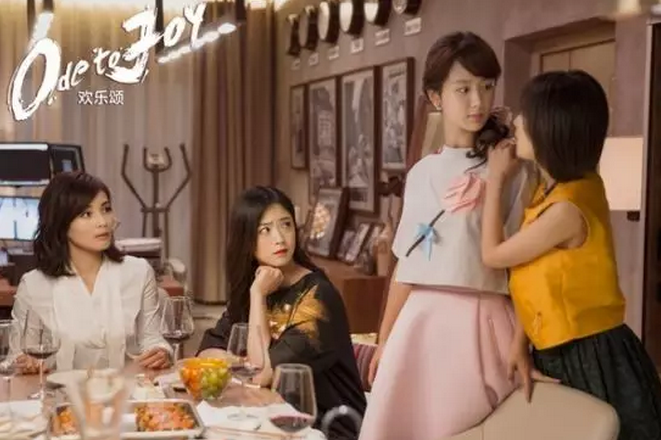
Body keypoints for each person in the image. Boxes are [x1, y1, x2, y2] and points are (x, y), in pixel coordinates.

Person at [359, 31, 539, 440]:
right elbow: (406, 265)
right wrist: (385, 341)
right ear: (435, 97)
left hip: (484, 324)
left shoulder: (514, 169)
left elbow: (526, 266)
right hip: (420, 324)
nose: (478, 101)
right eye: (463, 89)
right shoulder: (422, 172)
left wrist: (522, 339)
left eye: (486, 86)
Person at [481, 70, 661, 440]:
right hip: (565, 350)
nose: (517, 122)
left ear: (551, 130)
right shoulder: (558, 189)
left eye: (526, 116)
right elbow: (533, 279)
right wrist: (521, 342)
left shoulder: (565, 211)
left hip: (590, 356)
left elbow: (493, 255)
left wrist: (495, 180)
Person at [197, 186, 366, 440]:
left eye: (286, 225)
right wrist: (243, 361)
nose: (280, 238)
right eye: (265, 230)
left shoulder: (317, 298)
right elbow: (207, 349)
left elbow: (260, 374)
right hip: (271, 418)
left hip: (323, 427)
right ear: (246, 240)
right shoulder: (256, 282)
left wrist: (258, 296)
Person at [11, 172, 171, 372]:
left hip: (126, 388)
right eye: (86, 214)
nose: (102, 222)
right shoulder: (33, 285)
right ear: (61, 222)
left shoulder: (138, 272)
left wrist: (161, 352)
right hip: (59, 389)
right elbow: (18, 356)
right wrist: (26, 363)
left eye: (106, 209)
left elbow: (153, 339)